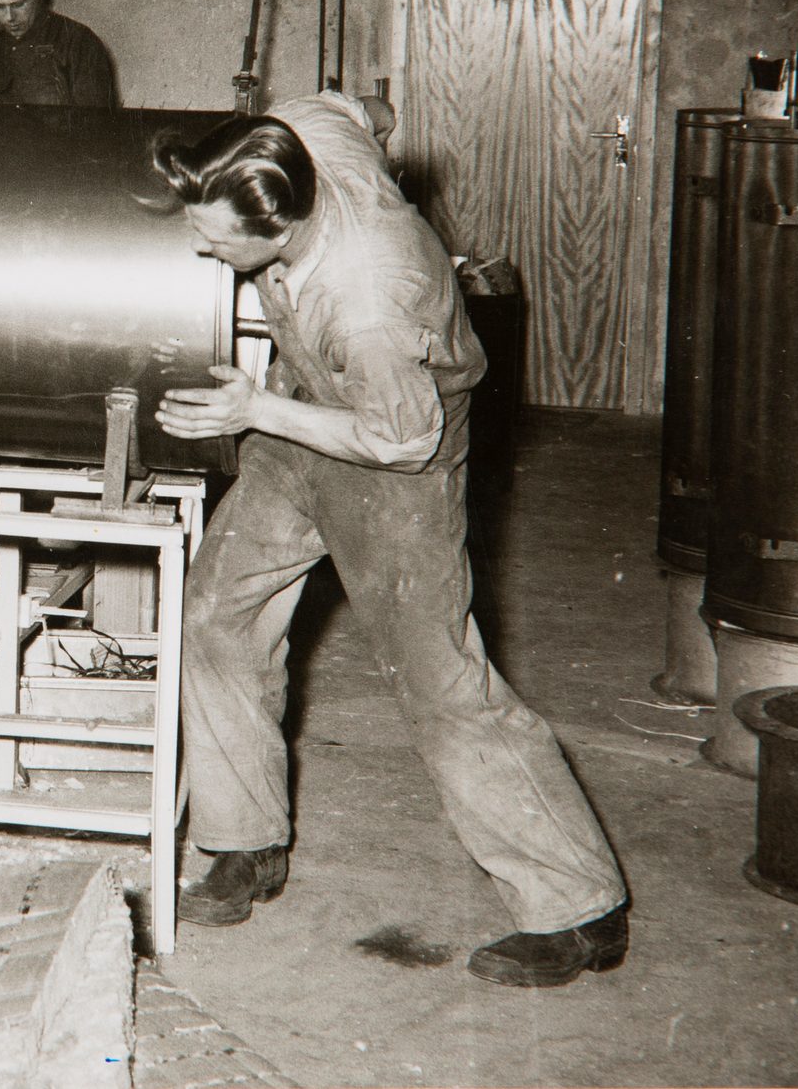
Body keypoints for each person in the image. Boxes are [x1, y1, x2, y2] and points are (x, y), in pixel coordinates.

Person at [144, 91, 628, 987]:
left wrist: (254, 408)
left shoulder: (364, 297)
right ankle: (246, 841)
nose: (202, 248)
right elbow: (347, 106)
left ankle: (578, 907)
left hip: (397, 449)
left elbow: (398, 438)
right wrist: (373, 110)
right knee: (213, 614)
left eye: (217, 239)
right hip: (304, 417)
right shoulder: (307, 143)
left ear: (279, 221)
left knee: (438, 681)